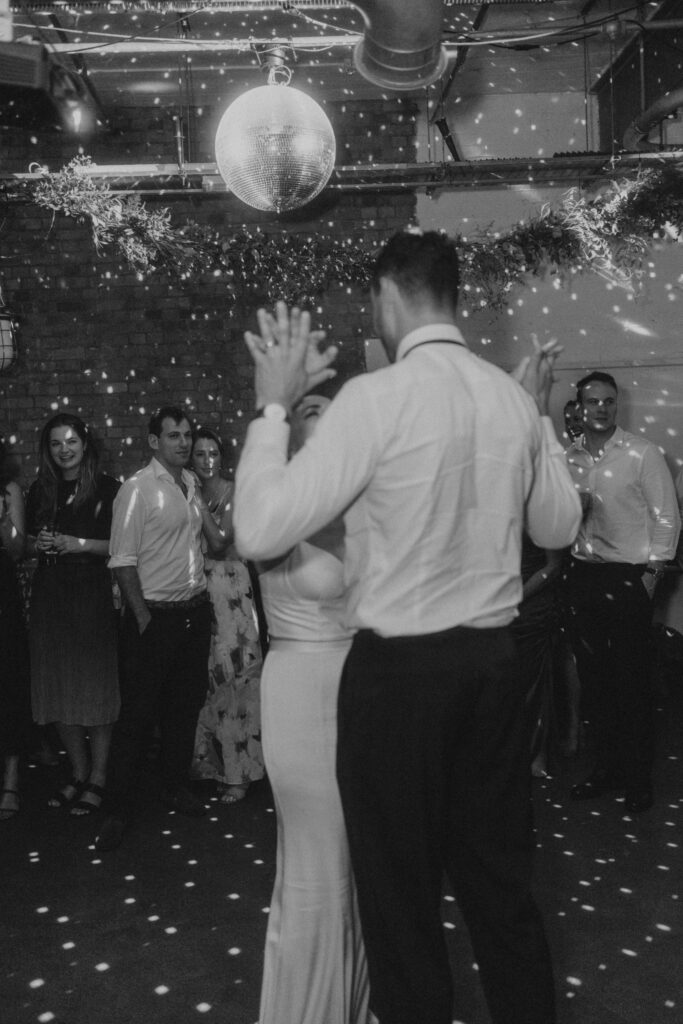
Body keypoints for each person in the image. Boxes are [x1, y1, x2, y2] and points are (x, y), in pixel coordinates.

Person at [233, 231, 582, 1024]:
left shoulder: (376, 397)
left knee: (400, 909)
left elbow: (256, 529)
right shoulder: (505, 398)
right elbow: (558, 528)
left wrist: (273, 405)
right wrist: (539, 422)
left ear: (389, 294)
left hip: (396, 683)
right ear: (452, 296)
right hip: (495, 671)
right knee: (500, 895)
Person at [256, 394, 372, 1024]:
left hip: (360, 687)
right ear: (292, 428)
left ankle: (351, 1004)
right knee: (316, 859)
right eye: (316, 410)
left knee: (356, 855)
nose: (332, 419)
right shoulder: (276, 502)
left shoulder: (365, 501)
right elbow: (254, 535)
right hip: (299, 683)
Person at [96, 406, 221, 851]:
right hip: (155, 617)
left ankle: (174, 785)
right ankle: (116, 809)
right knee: (137, 717)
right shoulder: (137, 490)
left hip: (193, 613)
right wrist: (144, 618)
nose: (184, 443)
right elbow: (122, 561)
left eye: (187, 435)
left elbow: (208, 542)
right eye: (174, 436)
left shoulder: (189, 485)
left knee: (183, 710)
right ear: (154, 441)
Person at [566, 371, 680, 813]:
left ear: (617, 405)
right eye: (592, 401)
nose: (600, 408)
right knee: (595, 684)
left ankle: (637, 780)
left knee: (631, 683)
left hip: (630, 578)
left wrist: (652, 575)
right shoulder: (569, 459)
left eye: (608, 401)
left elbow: (667, 517)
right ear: (578, 406)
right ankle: (606, 769)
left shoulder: (642, 453)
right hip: (584, 575)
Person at [25, 414, 120, 815]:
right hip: (50, 597)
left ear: (85, 444)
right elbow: (26, 543)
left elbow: (120, 547)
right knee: (58, 687)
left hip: (91, 596)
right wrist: (40, 544)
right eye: (56, 444)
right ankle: (78, 774)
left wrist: (76, 543)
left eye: (71, 442)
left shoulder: (108, 488)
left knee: (95, 688)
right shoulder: (40, 488)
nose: (64, 450)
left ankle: (99, 777)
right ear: (48, 450)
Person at [190, 426, 264, 804]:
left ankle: (242, 773)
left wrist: (197, 504)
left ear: (222, 456)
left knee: (237, 678)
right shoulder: (184, 490)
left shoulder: (234, 491)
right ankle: (210, 766)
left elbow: (220, 542)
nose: (207, 461)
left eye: (213, 453)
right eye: (200, 454)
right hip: (197, 589)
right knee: (207, 681)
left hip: (232, 590)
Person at [0, 440, 31, 821]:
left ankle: (11, 778)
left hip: (1, 591)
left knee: (6, 683)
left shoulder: (9, 490)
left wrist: (5, 519)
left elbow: (19, 549)